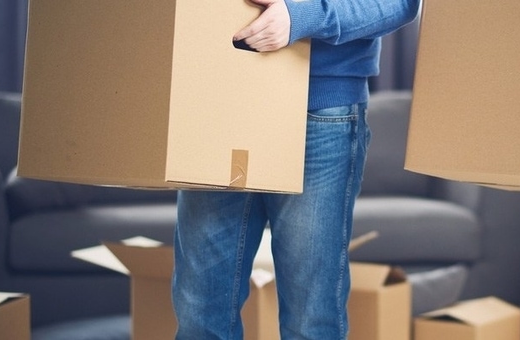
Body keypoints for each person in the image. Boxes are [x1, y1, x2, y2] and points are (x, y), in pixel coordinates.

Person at [170, 0, 420, 338]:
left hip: (320, 108)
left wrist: (302, 15)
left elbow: (400, 4)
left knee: (310, 317)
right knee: (199, 310)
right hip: (217, 97)